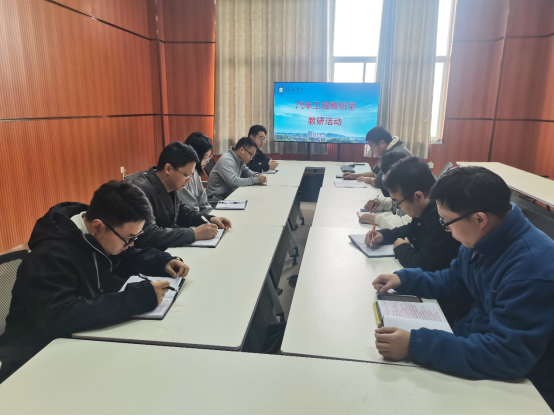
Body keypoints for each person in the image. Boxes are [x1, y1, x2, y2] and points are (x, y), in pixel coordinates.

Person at [372, 167, 554, 410]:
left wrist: (415, 344)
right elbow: (455, 281)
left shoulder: (531, 270)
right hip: (475, 346)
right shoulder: (481, 238)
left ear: (480, 219)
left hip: (524, 389)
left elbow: (507, 355)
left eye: (447, 222)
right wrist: (405, 280)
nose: (446, 229)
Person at [0, 181, 189, 383]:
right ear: (98, 226)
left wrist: (162, 261)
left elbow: (125, 255)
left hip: (77, 342)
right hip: (33, 361)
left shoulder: (97, 234)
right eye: (129, 238)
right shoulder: (50, 255)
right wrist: (138, 297)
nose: (131, 243)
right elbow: (60, 317)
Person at [130, 142, 232, 251]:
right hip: (148, 253)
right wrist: (193, 234)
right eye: (186, 175)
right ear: (168, 169)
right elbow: (148, 235)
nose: (189, 180)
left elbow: (183, 213)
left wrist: (210, 219)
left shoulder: (170, 184)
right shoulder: (139, 190)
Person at [366, 157, 461, 272]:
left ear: (419, 197)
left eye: (397, 202)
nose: (399, 208)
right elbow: (412, 229)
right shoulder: (426, 208)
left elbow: (427, 266)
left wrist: (402, 248)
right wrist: (383, 235)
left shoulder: (440, 218)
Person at [343, 126, 412, 189]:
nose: (371, 150)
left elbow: (379, 183)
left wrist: (368, 179)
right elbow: (375, 172)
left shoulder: (394, 154)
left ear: (382, 143)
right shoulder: (388, 150)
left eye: (372, 147)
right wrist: (355, 176)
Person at [359, 151, 412, 230]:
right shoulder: (405, 185)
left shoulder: (415, 189)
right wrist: (379, 202)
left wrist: (377, 219)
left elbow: (407, 224)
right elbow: (397, 204)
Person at [207, 137, 267, 206]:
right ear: (241, 150)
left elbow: (246, 172)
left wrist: (257, 176)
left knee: (254, 200)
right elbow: (233, 182)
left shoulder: (238, 158)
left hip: (229, 196)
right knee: (252, 205)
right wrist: (256, 180)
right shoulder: (226, 160)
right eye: (251, 154)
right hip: (217, 201)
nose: (251, 158)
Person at [179, 132, 214, 215]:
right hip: (191, 218)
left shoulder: (195, 172)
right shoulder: (181, 175)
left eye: (209, 157)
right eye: (205, 157)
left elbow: (203, 202)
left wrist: (212, 216)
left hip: (199, 216)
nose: (207, 161)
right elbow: (191, 208)